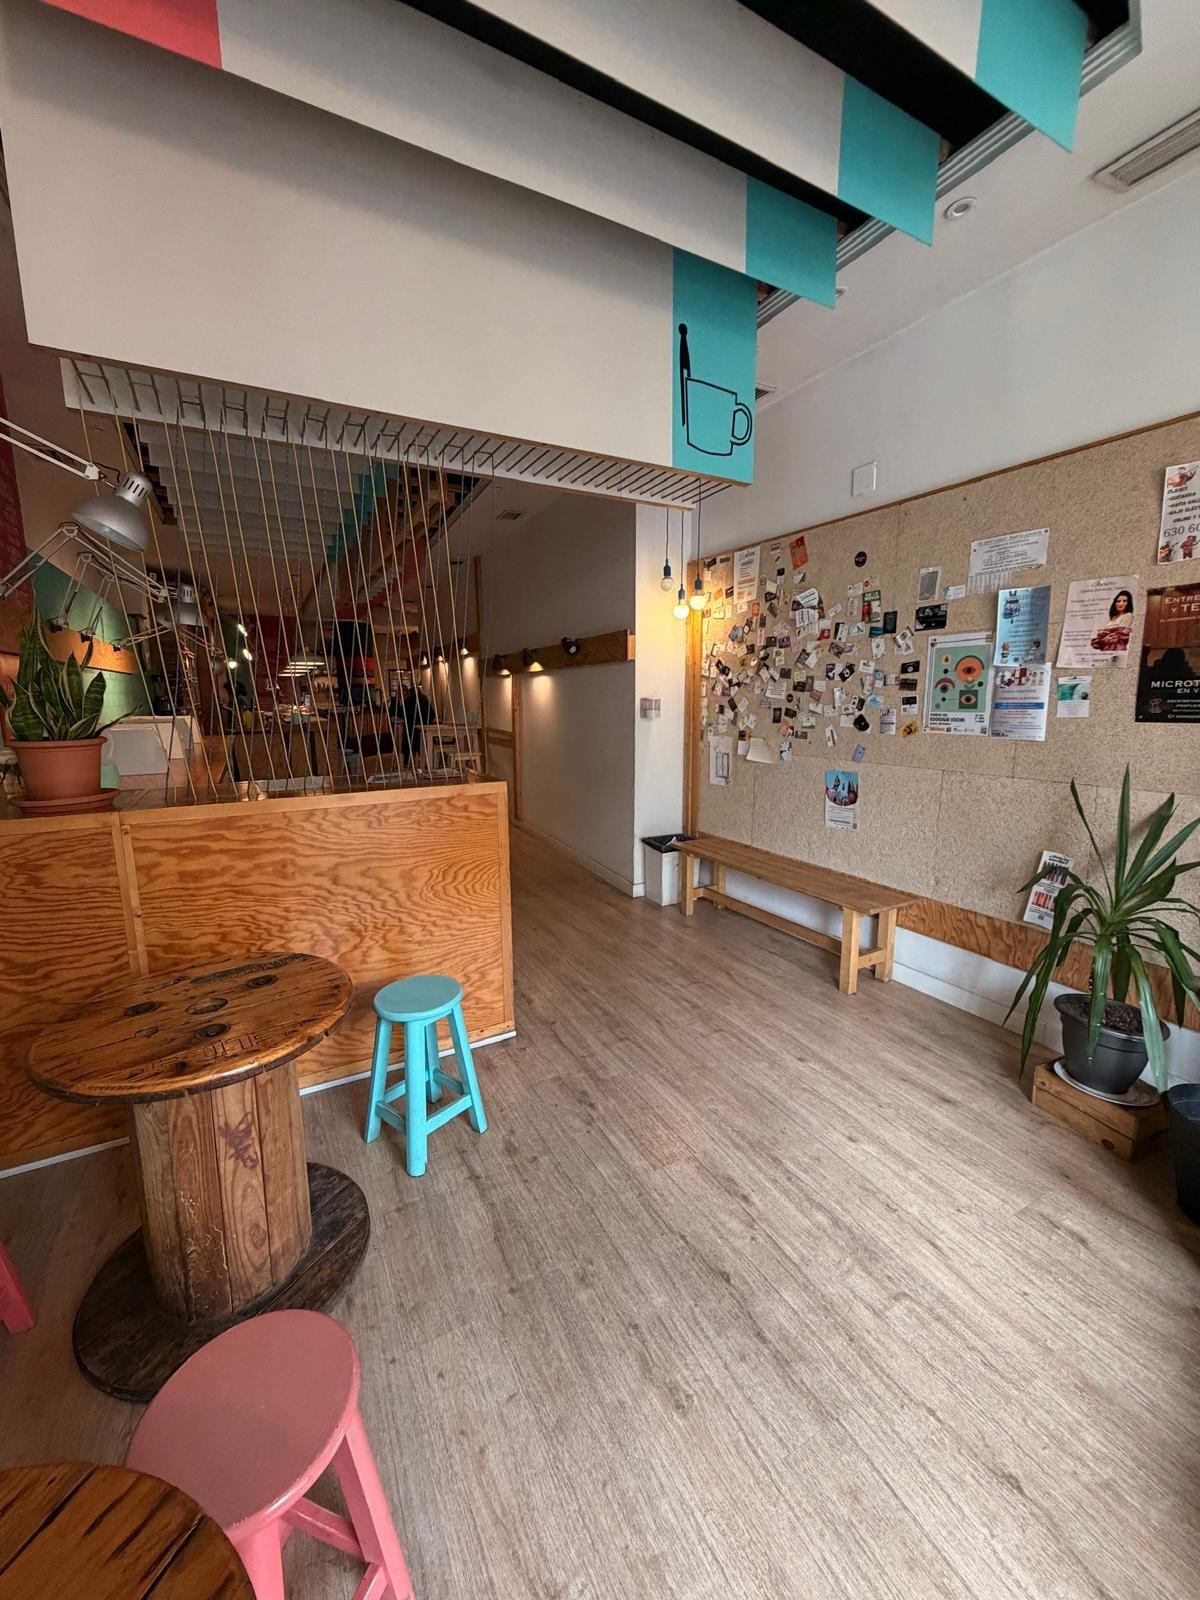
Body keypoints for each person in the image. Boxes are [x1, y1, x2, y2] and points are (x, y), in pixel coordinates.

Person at [396, 677, 433, 771]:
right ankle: (423, 765)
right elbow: (432, 714)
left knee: (410, 746)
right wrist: (426, 723)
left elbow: (400, 713)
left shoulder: (408, 701)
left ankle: (410, 764)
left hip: (410, 730)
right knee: (422, 746)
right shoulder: (425, 701)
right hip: (424, 731)